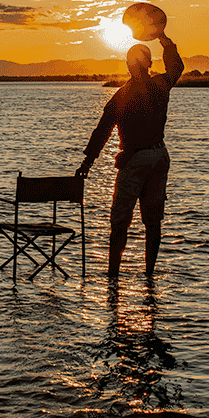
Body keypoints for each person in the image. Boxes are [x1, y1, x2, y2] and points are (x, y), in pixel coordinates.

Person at [76, 35, 184, 279]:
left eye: (132, 61)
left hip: (137, 161)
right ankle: (144, 277)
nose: (129, 65)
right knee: (151, 221)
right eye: (129, 61)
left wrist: (87, 162)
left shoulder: (125, 94)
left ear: (142, 64)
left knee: (122, 221)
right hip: (158, 156)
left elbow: (103, 130)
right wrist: (165, 40)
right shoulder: (157, 85)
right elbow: (177, 68)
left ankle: (115, 276)